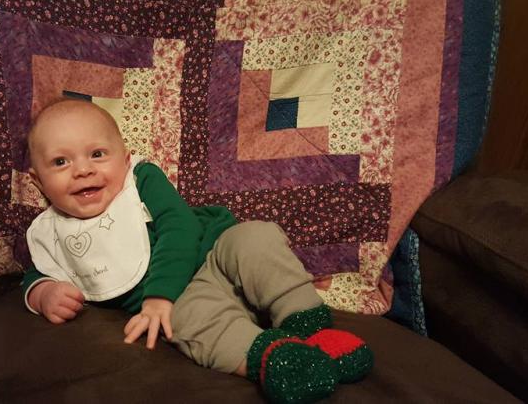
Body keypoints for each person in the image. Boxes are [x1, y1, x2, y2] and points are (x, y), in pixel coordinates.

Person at [22, 98, 373, 403]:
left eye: (97, 154)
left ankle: (312, 326)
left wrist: (158, 295)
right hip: (187, 299)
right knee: (186, 322)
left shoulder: (141, 180)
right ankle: (274, 358)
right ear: (37, 181)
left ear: (125, 159)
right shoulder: (51, 234)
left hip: (216, 252)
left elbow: (180, 225)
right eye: (61, 162)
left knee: (256, 238)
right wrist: (43, 294)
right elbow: (39, 272)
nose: (83, 170)